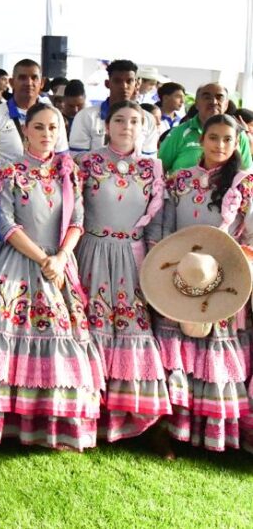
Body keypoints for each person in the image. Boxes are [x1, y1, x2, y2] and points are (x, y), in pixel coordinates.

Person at [0, 104, 103, 450]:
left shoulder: (70, 173)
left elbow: (78, 221)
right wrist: (43, 258)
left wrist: (62, 256)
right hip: (18, 262)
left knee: (60, 337)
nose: (47, 134)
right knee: (8, 331)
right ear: (26, 131)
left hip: (59, 260)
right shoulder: (9, 173)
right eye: (40, 127)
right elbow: (6, 224)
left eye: (54, 127)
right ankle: (0, 422)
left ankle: (48, 423)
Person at [149, 114, 253, 453]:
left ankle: (207, 433)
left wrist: (230, 263)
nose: (220, 145)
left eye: (227, 139)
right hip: (180, 273)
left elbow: (250, 233)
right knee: (176, 348)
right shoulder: (180, 180)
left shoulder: (245, 184)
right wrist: (163, 264)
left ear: (237, 143)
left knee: (212, 351)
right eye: (214, 137)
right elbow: (162, 226)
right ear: (202, 140)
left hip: (222, 277)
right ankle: (169, 429)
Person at [74, 101, 171, 443]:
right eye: (119, 119)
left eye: (134, 121)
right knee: (90, 327)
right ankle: (86, 412)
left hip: (133, 259)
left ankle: (130, 414)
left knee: (131, 328)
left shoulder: (153, 168)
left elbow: (156, 225)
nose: (127, 126)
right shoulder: (85, 163)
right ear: (106, 124)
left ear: (144, 127)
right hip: (92, 252)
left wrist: (154, 267)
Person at [0, 59, 69, 164]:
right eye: (22, 78)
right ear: (11, 82)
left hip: (47, 177)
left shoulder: (54, 115)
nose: (29, 83)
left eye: (34, 78)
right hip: (6, 178)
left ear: (41, 83)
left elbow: (62, 157)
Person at [69, 60, 159, 155]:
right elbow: (76, 158)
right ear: (107, 84)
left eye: (129, 81)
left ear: (136, 84)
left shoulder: (148, 119)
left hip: (136, 170)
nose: (124, 86)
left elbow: (149, 161)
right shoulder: (86, 116)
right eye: (117, 81)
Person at [159, 83, 252, 173]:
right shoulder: (179, 132)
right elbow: (160, 169)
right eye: (207, 97)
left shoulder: (239, 135)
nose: (214, 102)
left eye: (219, 97)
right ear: (196, 103)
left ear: (226, 105)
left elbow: (246, 173)